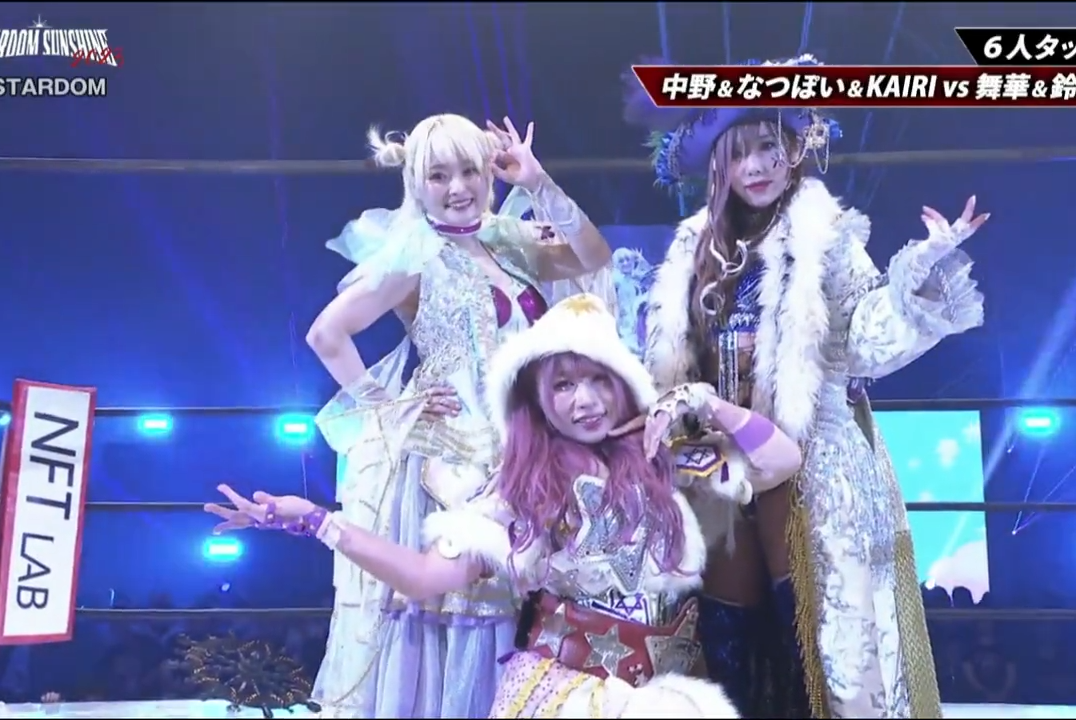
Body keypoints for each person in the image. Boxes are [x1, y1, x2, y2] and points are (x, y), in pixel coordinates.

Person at [206, 293, 805, 718]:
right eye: (563, 385)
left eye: (598, 380)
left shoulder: (661, 457)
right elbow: (424, 578)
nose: (584, 401)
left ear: (623, 384)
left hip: (669, 689)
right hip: (566, 696)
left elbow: (781, 460)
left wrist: (705, 404)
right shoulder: (523, 487)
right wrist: (319, 522)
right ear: (537, 400)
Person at [624, 54, 988, 718]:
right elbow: (666, 364)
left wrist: (922, 274)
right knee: (725, 632)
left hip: (814, 463)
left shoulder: (828, 240)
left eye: (769, 146)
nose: (756, 166)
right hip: (713, 465)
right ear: (719, 169)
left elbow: (868, 340)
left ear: (794, 149)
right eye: (740, 154)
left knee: (818, 640)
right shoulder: (691, 249)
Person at [302, 113, 614, 717]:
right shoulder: (414, 256)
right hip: (456, 467)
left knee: (533, 619)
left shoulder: (508, 241)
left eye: (468, 170)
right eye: (438, 175)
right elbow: (326, 334)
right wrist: (390, 406)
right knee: (471, 624)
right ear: (416, 184)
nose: (457, 187)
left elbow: (591, 255)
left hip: (533, 455)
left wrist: (539, 181)